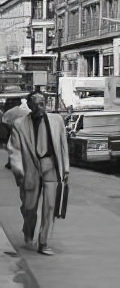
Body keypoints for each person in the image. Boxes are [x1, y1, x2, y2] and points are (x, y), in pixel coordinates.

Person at [8, 91, 69, 255]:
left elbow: (63, 146)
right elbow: (15, 150)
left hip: (51, 168)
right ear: (29, 105)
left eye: (41, 103)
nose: (38, 107)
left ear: (46, 103)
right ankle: (28, 233)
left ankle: (44, 242)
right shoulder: (20, 124)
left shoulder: (57, 121)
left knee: (50, 207)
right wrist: (18, 171)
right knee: (30, 208)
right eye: (35, 104)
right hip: (31, 171)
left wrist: (65, 168)